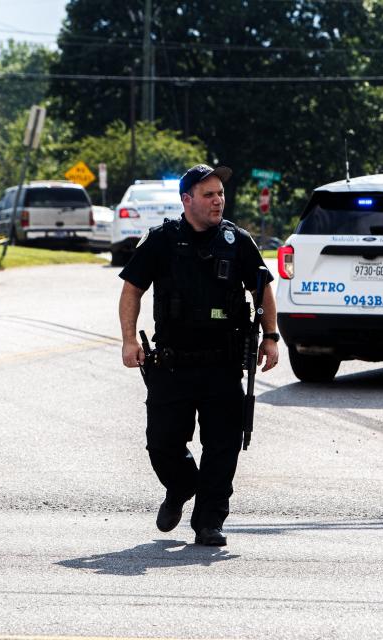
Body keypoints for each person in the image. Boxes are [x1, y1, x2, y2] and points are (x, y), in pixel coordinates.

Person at [117, 164, 279, 547]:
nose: (218, 200)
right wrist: (128, 339)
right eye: (208, 194)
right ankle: (181, 485)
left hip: (222, 365)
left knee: (223, 445)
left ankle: (209, 522)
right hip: (172, 363)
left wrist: (270, 337)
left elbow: (262, 288)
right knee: (162, 444)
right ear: (186, 200)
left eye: (220, 193)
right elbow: (131, 290)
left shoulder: (236, 240)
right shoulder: (161, 240)